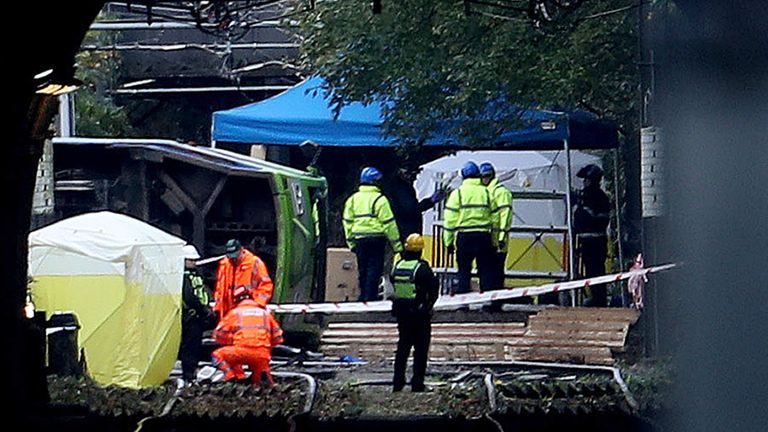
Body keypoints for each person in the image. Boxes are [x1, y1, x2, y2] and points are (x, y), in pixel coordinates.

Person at [343, 167, 403, 301]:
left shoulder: (352, 200)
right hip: (376, 239)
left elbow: (347, 222)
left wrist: (350, 242)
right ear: (375, 182)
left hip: (360, 239)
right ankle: (370, 298)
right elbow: (389, 224)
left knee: (362, 269)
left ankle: (362, 296)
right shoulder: (380, 200)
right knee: (374, 269)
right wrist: (397, 245)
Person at [390, 233, 439, 393]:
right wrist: (429, 305)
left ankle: (398, 382)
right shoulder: (422, 268)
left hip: (402, 314)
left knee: (403, 347)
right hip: (419, 315)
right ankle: (417, 383)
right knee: (420, 350)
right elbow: (432, 290)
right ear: (420, 250)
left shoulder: (397, 267)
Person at [211, 286, 284, 387]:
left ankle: (231, 378)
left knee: (217, 356)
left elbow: (218, 335)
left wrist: (232, 340)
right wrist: (265, 347)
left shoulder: (235, 313)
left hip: (241, 351)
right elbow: (278, 338)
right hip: (262, 355)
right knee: (262, 384)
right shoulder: (265, 313)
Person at [443, 161, 497, 295]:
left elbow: (449, 221)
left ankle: (463, 303)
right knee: (485, 272)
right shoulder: (487, 192)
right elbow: (495, 218)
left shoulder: (458, 194)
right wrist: (495, 240)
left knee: (463, 272)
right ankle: (487, 302)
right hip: (483, 236)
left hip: (464, 237)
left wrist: (448, 242)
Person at [573, 164, 611, 307]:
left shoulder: (596, 197)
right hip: (589, 239)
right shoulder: (593, 196)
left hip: (594, 240)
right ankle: (596, 297)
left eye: (586, 179)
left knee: (595, 271)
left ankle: (598, 298)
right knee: (592, 270)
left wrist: (579, 209)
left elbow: (587, 217)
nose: (584, 182)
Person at [179, 245, 214, 384]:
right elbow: (189, 296)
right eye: (191, 260)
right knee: (189, 347)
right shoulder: (184, 277)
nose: (194, 262)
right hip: (191, 316)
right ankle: (188, 374)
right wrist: (203, 310)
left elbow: (202, 292)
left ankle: (191, 372)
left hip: (198, 316)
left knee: (194, 346)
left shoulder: (195, 275)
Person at [214, 239, 274, 319]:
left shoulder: (254, 263)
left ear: (241, 250)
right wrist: (218, 308)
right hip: (227, 312)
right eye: (231, 257)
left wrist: (257, 303)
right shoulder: (224, 264)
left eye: (235, 256)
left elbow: (266, 286)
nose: (233, 259)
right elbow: (220, 288)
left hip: (248, 310)